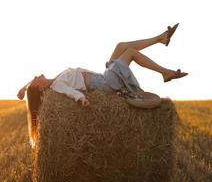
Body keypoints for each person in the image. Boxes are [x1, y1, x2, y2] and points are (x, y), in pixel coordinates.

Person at [17, 23, 188, 146]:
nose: (37, 75)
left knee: (120, 46)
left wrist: (23, 88)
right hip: (105, 83)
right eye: (36, 79)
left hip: (102, 76)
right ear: (40, 87)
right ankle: (165, 72)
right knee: (130, 53)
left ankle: (160, 38)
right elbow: (71, 92)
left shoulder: (53, 80)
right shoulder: (56, 86)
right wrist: (81, 99)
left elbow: (32, 85)